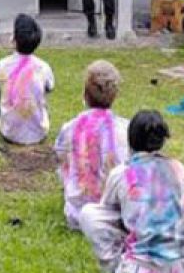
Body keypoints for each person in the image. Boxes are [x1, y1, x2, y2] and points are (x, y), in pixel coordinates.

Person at [79, 111, 184, 273]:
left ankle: (119, 270)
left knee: (90, 214)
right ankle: (183, 263)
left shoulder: (121, 173)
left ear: (131, 139)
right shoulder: (177, 168)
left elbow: (108, 211)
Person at [54, 60, 130, 230]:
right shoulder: (126, 129)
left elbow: (59, 158)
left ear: (85, 94)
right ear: (115, 95)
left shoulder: (70, 128)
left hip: (76, 215)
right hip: (112, 217)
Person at [0, 14, 56, 146]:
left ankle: (3, 118)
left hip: (9, 133)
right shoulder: (43, 67)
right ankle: (36, 119)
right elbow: (50, 87)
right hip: (40, 133)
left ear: (14, 40)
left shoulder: (1, 66)